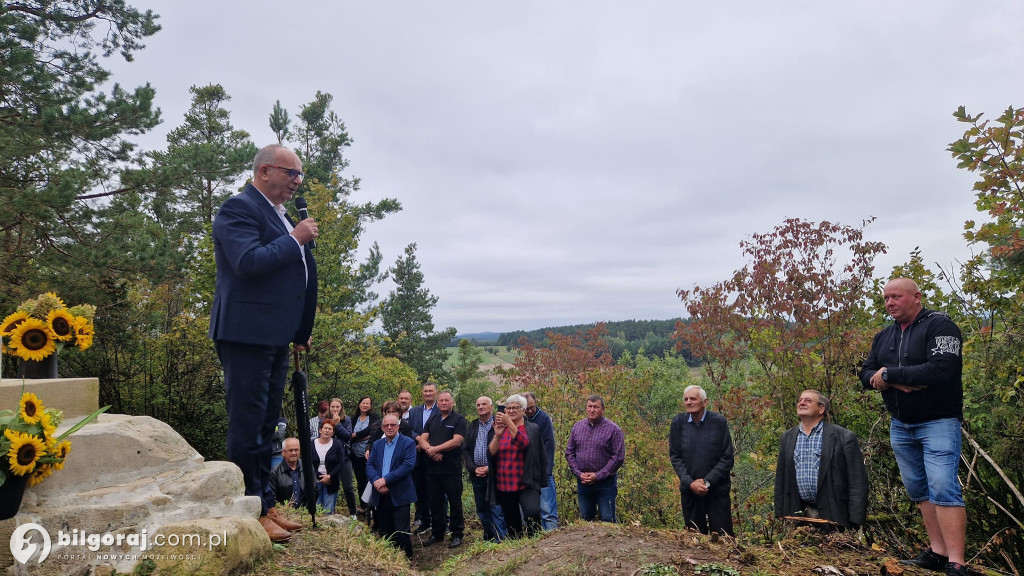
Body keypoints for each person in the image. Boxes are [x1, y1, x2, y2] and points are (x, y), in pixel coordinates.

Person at [209, 144, 317, 542]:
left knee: (268, 425)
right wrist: (295, 239)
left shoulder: (280, 214)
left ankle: (266, 505)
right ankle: (249, 509)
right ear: (265, 171)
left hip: (274, 336)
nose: (298, 181)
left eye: (299, 174)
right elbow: (248, 263)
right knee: (248, 425)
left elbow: (298, 278)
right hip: (245, 334)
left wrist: (299, 330)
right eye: (292, 173)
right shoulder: (237, 208)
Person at [860, 278, 966, 576]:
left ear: (916, 297)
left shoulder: (940, 326)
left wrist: (889, 374)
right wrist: (892, 378)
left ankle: (956, 563)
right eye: (885, 298)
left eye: (896, 297)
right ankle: (937, 552)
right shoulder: (884, 336)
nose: (889, 303)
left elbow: (942, 369)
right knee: (919, 490)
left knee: (943, 487)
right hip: (900, 425)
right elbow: (865, 373)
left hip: (939, 422)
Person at [774, 390, 868, 530]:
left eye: (808, 400)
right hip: (797, 513)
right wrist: (780, 510)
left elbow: (857, 480)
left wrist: (855, 518)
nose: (802, 403)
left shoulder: (843, 437)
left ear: (821, 408)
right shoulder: (787, 437)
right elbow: (781, 477)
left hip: (834, 514)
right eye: (800, 400)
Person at [668, 385, 735, 536]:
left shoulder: (718, 422)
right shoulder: (678, 422)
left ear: (705, 402)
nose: (688, 402)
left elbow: (727, 457)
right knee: (695, 539)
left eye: (693, 398)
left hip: (717, 491)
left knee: (723, 539)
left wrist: (707, 482)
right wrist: (690, 483)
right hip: (690, 492)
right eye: (686, 399)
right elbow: (675, 456)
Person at [488, 394, 547, 538]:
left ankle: (536, 544)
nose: (511, 411)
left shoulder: (531, 428)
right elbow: (491, 453)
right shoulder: (500, 428)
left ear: (523, 410)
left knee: (532, 513)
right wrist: (497, 435)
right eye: (508, 408)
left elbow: (524, 444)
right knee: (512, 524)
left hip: (527, 481)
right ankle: (517, 551)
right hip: (505, 483)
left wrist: (509, 423)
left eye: (515, 408)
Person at [418, 390, 468, 548]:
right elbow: (421, 439)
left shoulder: (459, 419)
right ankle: (437, 533)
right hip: (432, 469)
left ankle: (457, 533)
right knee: (435, 502)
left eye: (447, 400)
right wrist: (431, 452)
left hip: (451, 469)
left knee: (455, 503)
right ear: (437, 403)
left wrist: (434, 449)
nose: (444, 403)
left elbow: (456, 442)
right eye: (441, 401)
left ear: (452, 403)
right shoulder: (433, 419)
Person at [565, 394, 625, 523]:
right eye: (589, 406)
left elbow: (618, 457)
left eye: (596, 407)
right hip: (583, 482)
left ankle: (610, 544)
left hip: (606, 483)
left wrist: (598, 475)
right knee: (585, 520)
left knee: (607, 520)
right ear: (586, 408)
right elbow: (569, 452)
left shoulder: (614, 430)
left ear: (602, 409)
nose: (592, 410)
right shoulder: (577, 427)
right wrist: (578, 473)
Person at [367, 413, 418, 559]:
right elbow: (370, 464)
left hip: (400, 492)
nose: (389, 427)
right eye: (386, 425)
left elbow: (408, 466)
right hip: (380, 493)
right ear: (382, 427)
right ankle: (389, 561)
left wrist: (386, 480)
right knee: (385, 531)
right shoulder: (377, 445)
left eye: (393, 425)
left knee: (402, 532)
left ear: (398, 426)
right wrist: (377, 481)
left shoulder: (408, 443)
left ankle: (408, 560)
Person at [462, 396, 507, 542]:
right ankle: (489, 535)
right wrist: (473, 468)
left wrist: (489, 468)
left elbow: (503, 450)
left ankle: (501, 538)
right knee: (481, 508)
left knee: (496, 506)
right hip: (476, 474)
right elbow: (466, 449)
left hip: (494, 473)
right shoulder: (473, 425)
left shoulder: (498, 425)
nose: (481, 407)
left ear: (491, 407)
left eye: (484, 404)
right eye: (478, 405)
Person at [524, 391, 558, 531]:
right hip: (526, 472)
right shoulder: (518, 420)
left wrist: (547, 471)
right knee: (528, 510)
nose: (531, 410)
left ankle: (552, 537)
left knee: (547, 510)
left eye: (533, 407)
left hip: (543, 470)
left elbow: (549, 445)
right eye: (527, 408)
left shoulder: (543, 418)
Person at [407, 382, 438, 534]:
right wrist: (419, 440)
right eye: (425, 391)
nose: (427, 394)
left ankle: (441, 522)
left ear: (436, 393)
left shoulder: (442, 408)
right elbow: (409, 430)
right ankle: (425, 521)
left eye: (430, 391)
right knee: (420, 490)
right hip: (417, 455)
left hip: (435, 454)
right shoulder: (415, 411)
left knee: (437, 491)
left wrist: (425, 444)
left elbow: (442, 431)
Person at [350, 396, 380, 515]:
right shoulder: (354, 418)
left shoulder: (374, 417)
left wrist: (356, 435)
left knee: (370, 479)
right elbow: (349, 433)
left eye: (368, 403)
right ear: (359, 404)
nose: (365, 405)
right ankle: (363, 506)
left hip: (369, 453)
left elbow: (371, 430)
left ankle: (372, 507)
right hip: (355, 454)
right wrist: (361, 436)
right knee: (360, 480)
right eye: (363, 403)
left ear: (371, 406)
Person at [328, 397, 358, 517]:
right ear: (329, 408)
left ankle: (353, 513)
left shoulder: (347, 420)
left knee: (348, 486)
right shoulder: (325, 420)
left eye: (337, 407)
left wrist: (338, 424)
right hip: (329, 457)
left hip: (345, 456)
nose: (335, 409)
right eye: (333, 407)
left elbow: (347, 436)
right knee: (331, 485)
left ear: (341, 408)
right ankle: (330, 511)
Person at [311, 419, 345, 514]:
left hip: (332, 481)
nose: (327, 430)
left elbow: (341, 463)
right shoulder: (312, 444)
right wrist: (319, 476)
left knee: (328, 511)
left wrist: (329, 476)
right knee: (316, 509)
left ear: (333, 432)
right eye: (325, 428)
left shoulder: (337, 444)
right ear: (320, 430)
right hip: (315, 481)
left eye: (330, 429)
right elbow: (308, 463)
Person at [269, 437, 305, 508]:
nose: (294, 453)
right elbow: (272, 497)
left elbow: (314, 491)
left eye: (296, 450)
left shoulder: (307, 468)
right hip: (284, 514)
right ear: (283, 453)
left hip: (305, 513)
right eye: (290, 450)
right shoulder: (275, 472)